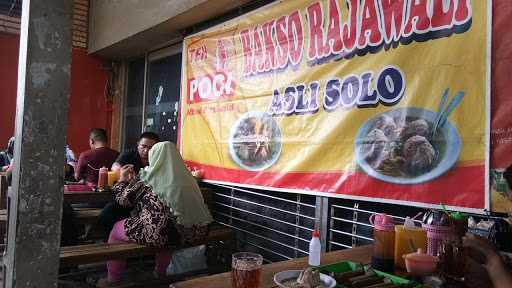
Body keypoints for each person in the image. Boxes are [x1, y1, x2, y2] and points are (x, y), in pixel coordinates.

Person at [96, 141, 212, 287]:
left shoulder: (148, 176)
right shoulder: (188, 178)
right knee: (168, 228)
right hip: (193, 231)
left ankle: (113, 279)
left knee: (116, 231)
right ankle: (160, 273)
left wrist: (122, 181)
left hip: (161, 233)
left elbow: (124, 200)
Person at [99, 132, 160, 239]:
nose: (146, 151)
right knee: (106, 214)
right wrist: (121, 173)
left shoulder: (159, 159)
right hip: (128, 195)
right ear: (138, 145)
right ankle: (107, 241)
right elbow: (115, 168)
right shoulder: (129, 154)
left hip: (148, 200)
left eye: (150, 148)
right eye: (143, 146)